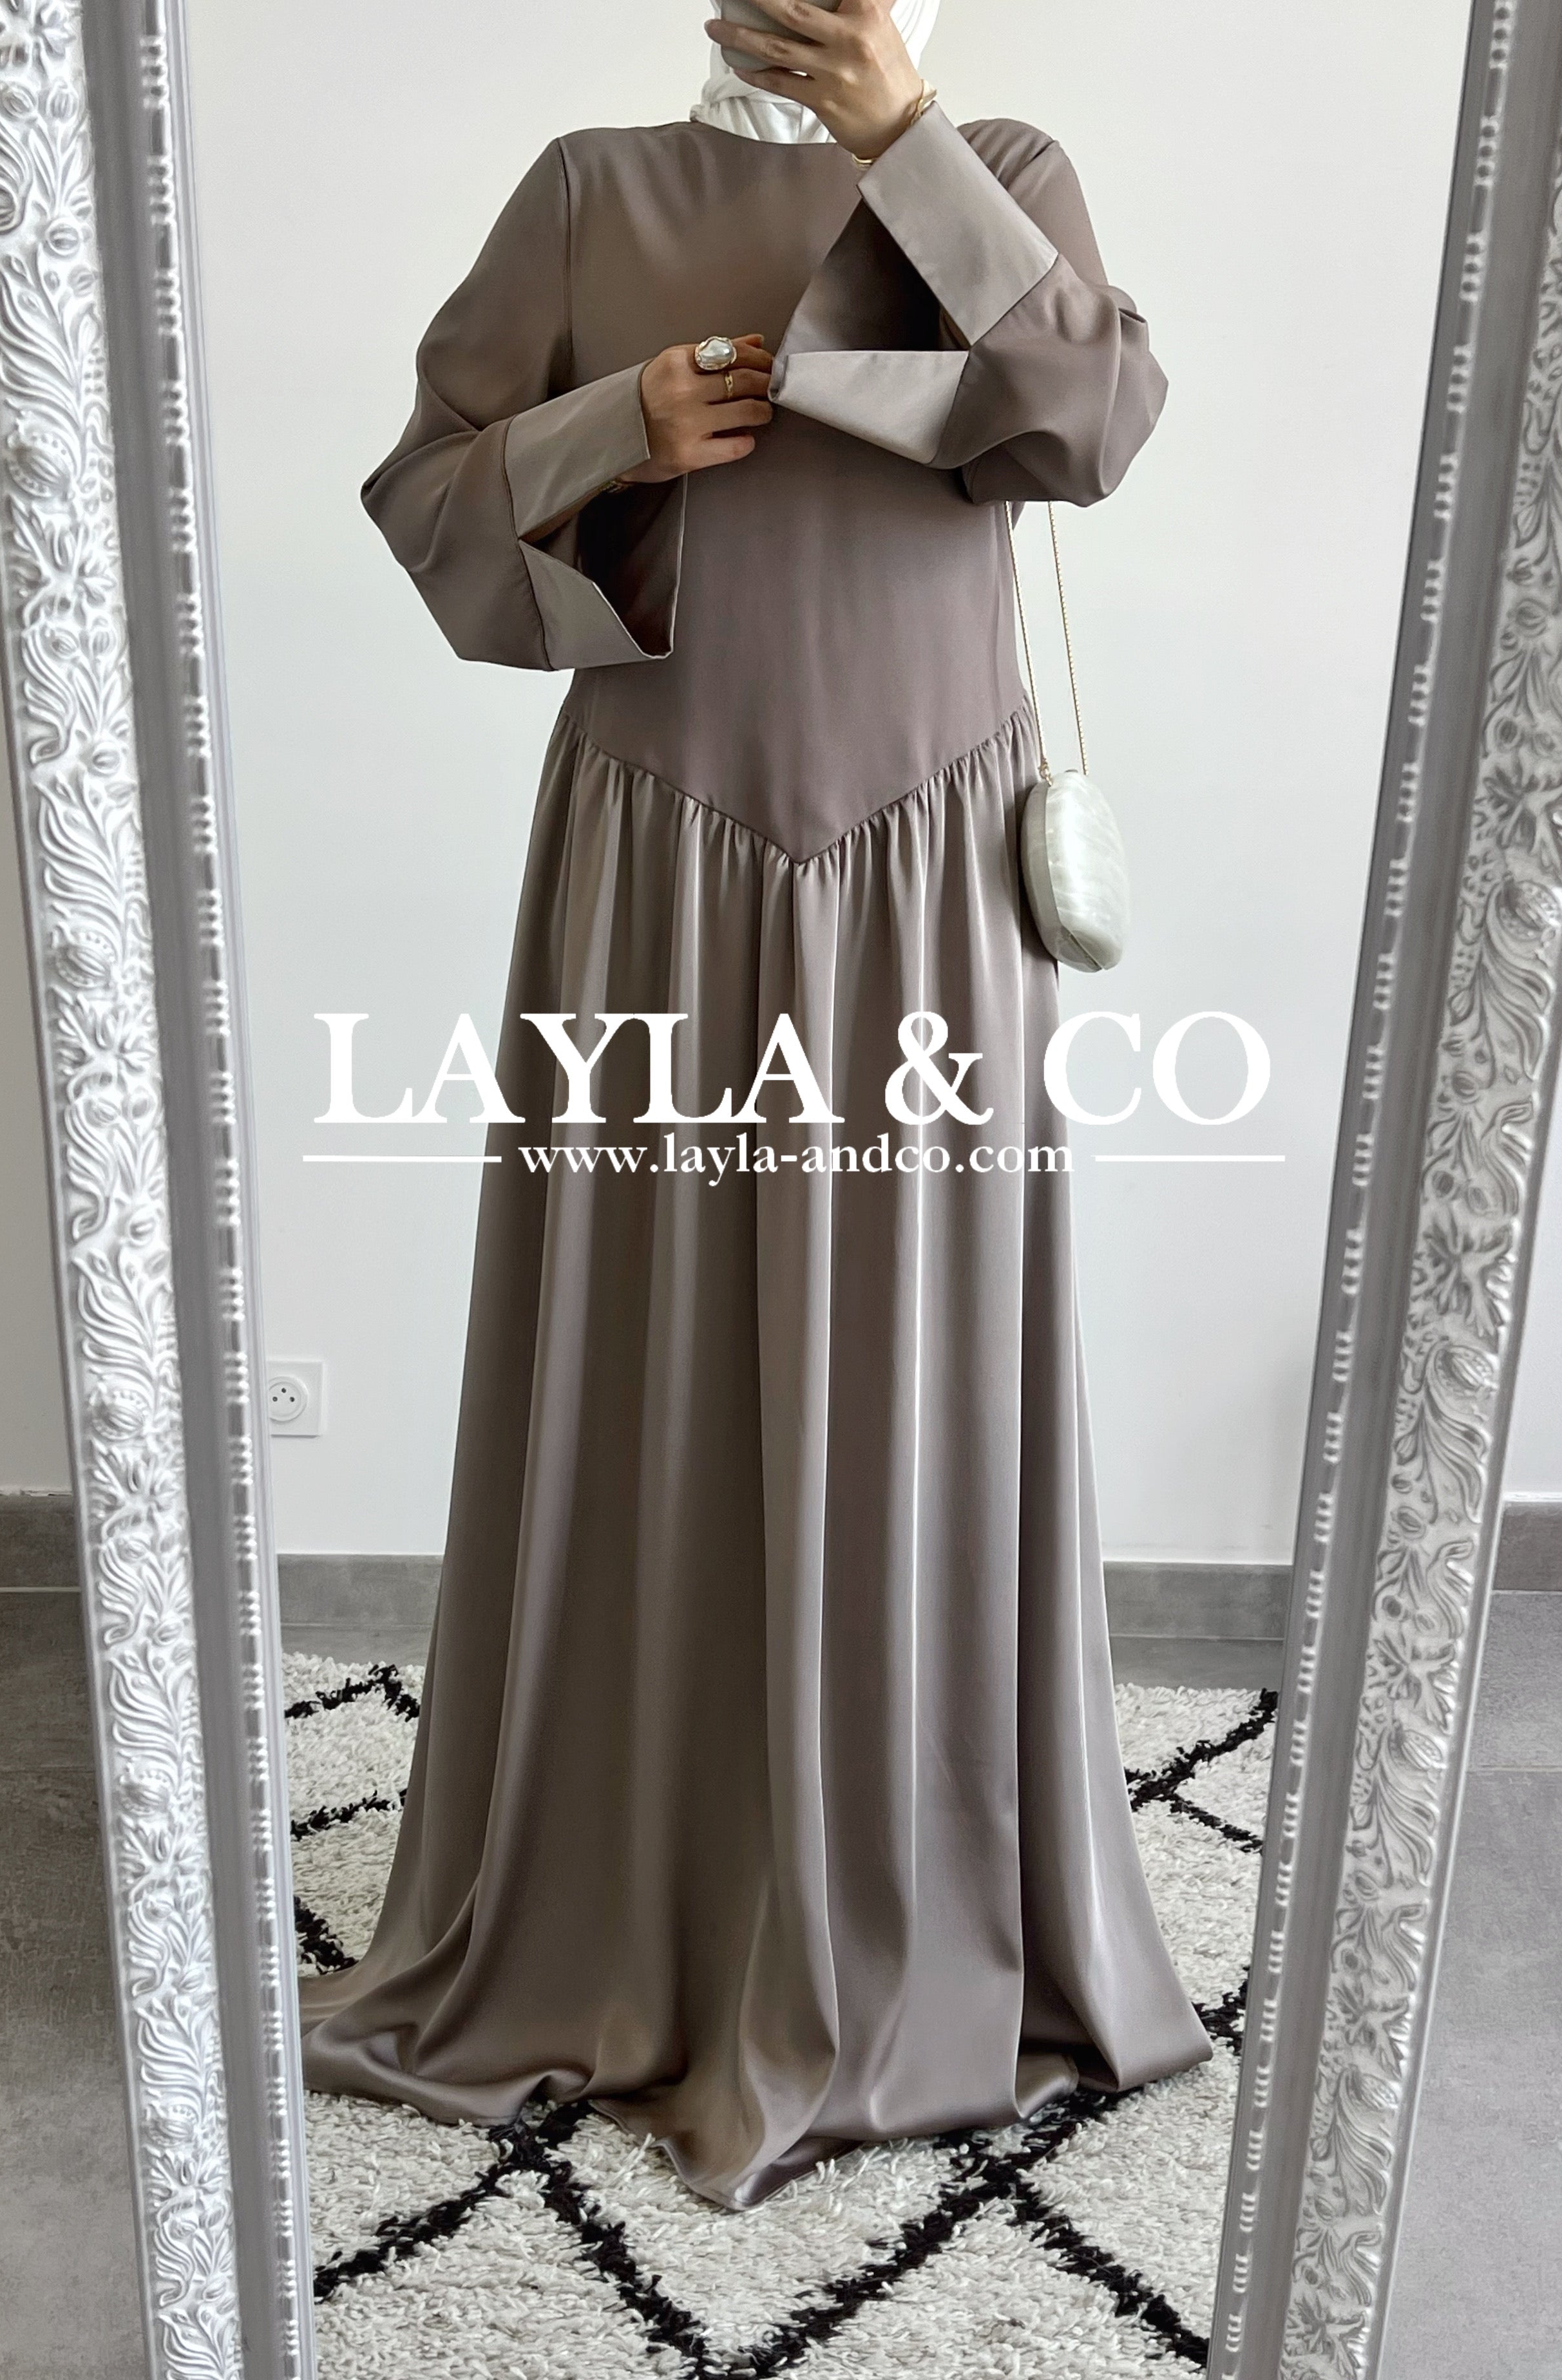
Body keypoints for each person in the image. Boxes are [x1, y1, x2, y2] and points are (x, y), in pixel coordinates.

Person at [298, 0, 1210, 2209]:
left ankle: (916, 1890)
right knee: (646, 1352)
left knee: (922, 1357)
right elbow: (426, 498)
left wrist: (905, 134)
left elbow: (1092, 423)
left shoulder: (1002, 165)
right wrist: (613, 422)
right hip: (657, 857)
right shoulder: (592, 190)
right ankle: (634, 1887)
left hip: (927, 867)